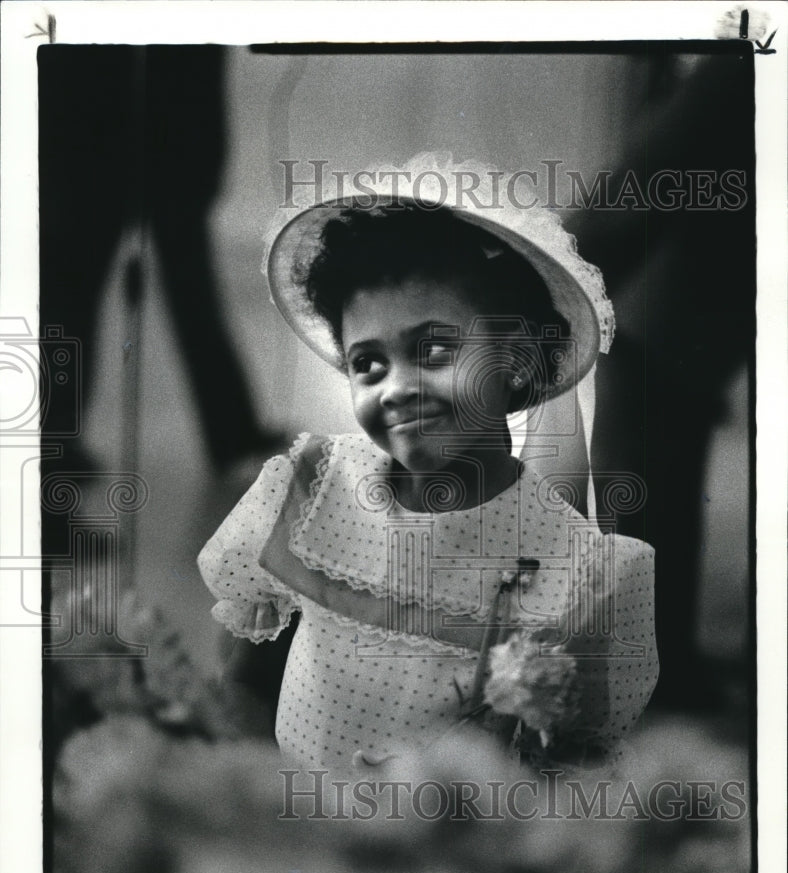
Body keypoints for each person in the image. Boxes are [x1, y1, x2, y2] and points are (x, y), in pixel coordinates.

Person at [198, 156, 659, 772]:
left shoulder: (578, 567)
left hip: (447, 849)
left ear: (516, 361)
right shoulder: (315, 491)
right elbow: (245, 687)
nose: (395, 388)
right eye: (368, 363)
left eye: (434, 349)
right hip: (297, 831)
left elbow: (571, 763)